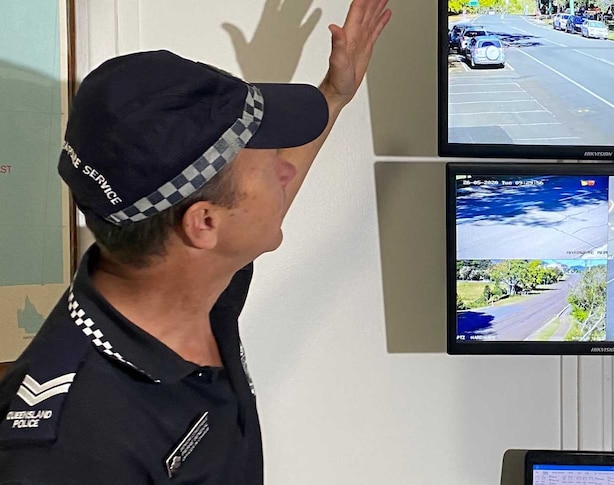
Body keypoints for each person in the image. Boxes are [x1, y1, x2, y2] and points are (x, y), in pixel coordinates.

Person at [0, 0, 391, 483]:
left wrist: (334, 93)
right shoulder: (71, 448)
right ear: (203, 224)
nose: (285, 171)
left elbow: (252, 207)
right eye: (269, 166)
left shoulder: (190, 280)